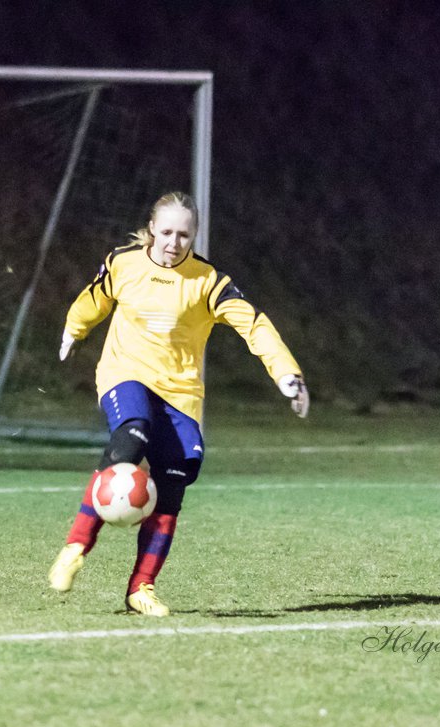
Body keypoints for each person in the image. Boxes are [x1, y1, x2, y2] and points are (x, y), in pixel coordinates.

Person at [47, 191, 308, 616]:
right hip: (124, 373)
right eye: (166, 232)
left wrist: (286, 373)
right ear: (151, 229)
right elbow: (94, 299)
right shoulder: (123, 263)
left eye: (183, 235)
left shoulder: (209, 282)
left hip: (180, 393)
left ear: (194, 237)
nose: (173, 242)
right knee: (131, 436)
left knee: (175, 477)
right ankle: (75, 547)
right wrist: (74, 330)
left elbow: (254, 325)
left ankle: (140, 589)